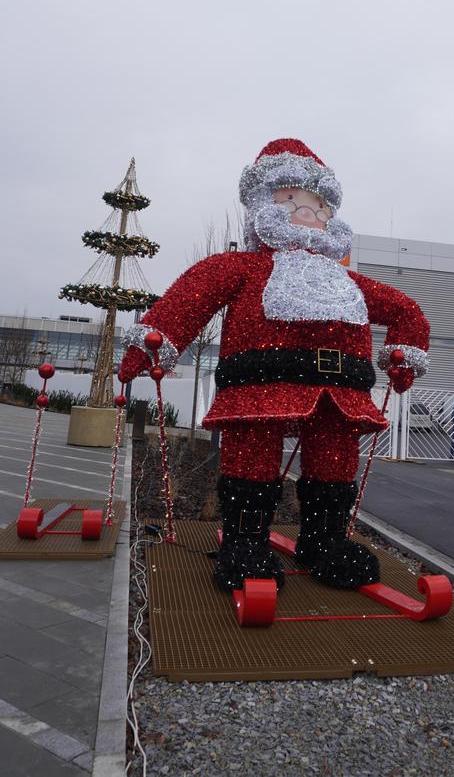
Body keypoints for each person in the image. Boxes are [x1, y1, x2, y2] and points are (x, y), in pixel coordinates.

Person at [118, 138, 430, 592]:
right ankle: (244, 543)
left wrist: (404, 353)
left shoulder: (349, 281)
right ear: (264, 204)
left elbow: (407, 311)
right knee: (252, 460)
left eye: (320, 205)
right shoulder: (241, 268)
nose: (310, 213)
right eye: (290, 199)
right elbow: (191, 297)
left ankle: (324, 543)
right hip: (258, 387)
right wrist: (151, 343)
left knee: (335, 466)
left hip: (341, 397)